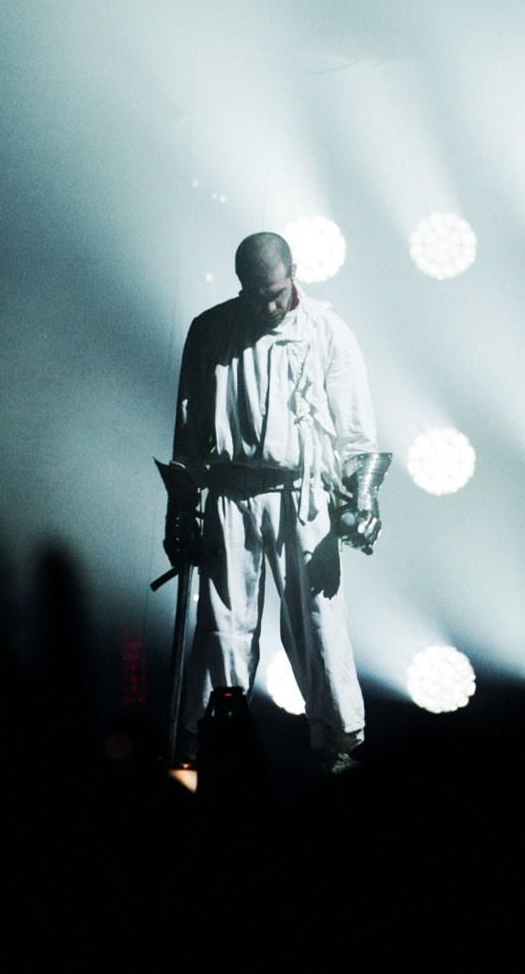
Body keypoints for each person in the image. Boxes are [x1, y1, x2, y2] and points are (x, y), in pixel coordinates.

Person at [163, 232, 389, 774]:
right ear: (240, 286)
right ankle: (211, 740)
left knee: (318, 621)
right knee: (223, 625)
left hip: (302, 495)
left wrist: (363, 501)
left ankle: (338, 745)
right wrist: (182, 511)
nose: (268, 307)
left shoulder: (329, 332)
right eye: (257, 296)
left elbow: (357, 434)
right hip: (230, 493)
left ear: (294, 273)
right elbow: (189, 430)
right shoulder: (210, 330)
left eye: (277, 294)